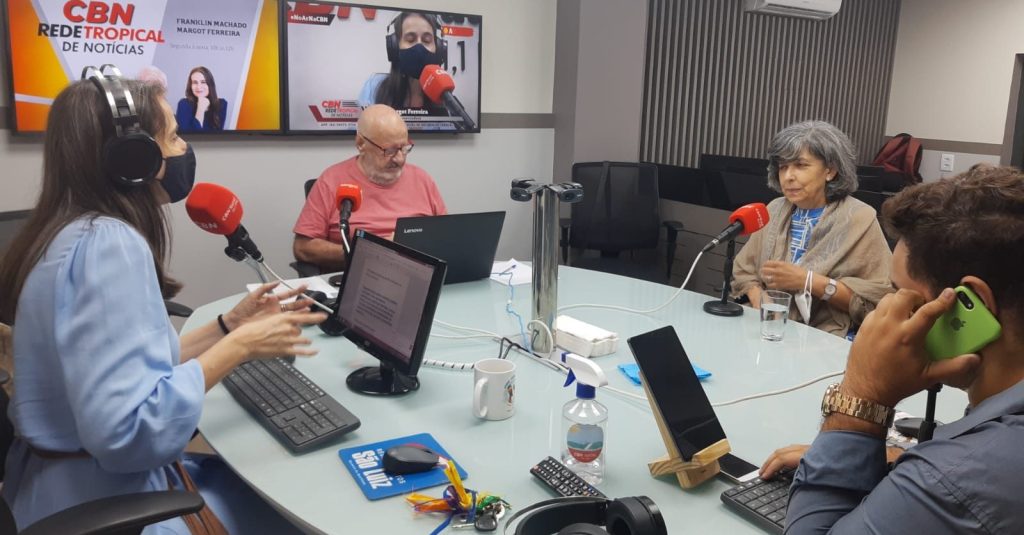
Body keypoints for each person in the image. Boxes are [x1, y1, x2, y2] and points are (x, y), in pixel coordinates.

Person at [0, 76, 326, 533]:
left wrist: (229, 326)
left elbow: (126, 370)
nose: (184, 148)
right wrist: (241, 348)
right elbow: (130, 433)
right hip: (112, 505)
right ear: (134, 158)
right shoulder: (108, 247)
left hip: (56, 487)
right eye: (173, 136)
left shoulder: (67, 231)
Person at [777, 165, 1024, 533]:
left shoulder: (957, 481)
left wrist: (860, 397)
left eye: (899, 294)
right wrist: (899, 462)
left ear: (970, 307)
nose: (886, 311)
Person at [731, 120, 893, 337]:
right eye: (783, 167)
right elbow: (744, 271)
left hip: (828, 336)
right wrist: (759, 297)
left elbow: (878, 298)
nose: (788, 176)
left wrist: (808, 281)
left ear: (830, 171)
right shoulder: (775, 209)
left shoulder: (859, 217)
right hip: (769, 328)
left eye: (800, 165)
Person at [292, 104, 447, 272]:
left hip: (418, 275)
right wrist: (370, 251)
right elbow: (303, 248)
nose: (400, 159)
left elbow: (446, 236)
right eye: (389, 150)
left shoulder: (422, 179)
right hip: (360, 275)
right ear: (361, 143)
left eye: (404, 148)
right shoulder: (331, 181)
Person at [358, 11, 449, 115]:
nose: (419, 47)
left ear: (438, 48)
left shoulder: (445, 96)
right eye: (410, 40)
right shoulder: (374, 87)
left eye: (427, 40)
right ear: (395, 47)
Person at [175, 66, 227, 132]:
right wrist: (200, 109)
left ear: (210, 84)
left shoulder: (221, 104)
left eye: (203, 82)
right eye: (195, 82)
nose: (199, 87)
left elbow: (217, 136)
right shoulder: (184, 104)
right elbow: (188, 136)